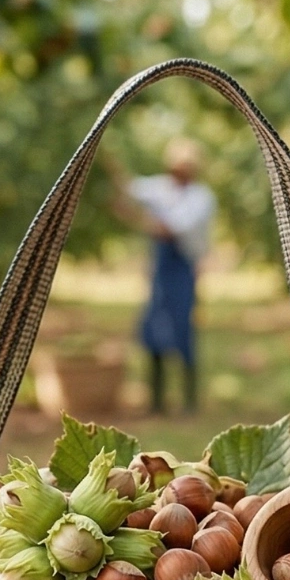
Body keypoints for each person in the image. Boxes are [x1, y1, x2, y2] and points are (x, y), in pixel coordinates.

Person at [116, 139, 216, 414]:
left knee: (183, 331)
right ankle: (156, 402)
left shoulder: (200, 198)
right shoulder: (161, 188)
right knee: (155, 331)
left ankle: (188, 402)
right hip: (161, 272)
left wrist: (134, 218)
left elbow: (170, 229)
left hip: (182, 270)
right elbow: (130, 187)